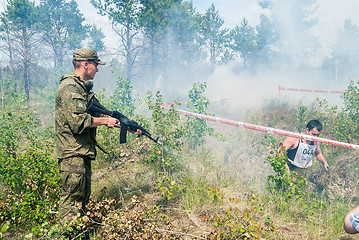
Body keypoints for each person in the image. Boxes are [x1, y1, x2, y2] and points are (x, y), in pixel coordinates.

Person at [55, 48, 141, 220]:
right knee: (71, 202)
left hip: (81, 152)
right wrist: (104, 121)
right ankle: (65, 234)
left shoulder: (83, 89)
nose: (98, 69)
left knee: (81, 198)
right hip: (72, 153)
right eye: (96, 65)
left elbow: (101, 114)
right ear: (86, 64)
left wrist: (127, 126)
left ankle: (77, 231)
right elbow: (78, 123)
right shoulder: (70, 89)